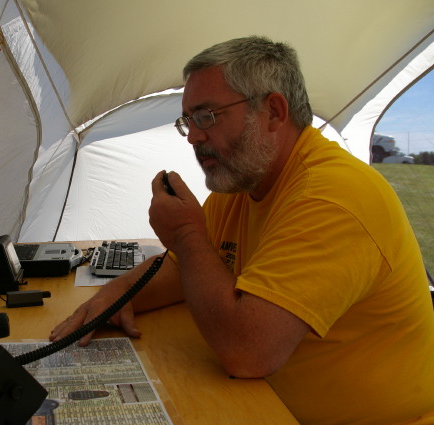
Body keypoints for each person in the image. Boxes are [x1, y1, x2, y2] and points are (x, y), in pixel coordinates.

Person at [50, 36, 434, 425]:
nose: (195, 136)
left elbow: (249, 353)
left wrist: (185, 232)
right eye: (188, 121)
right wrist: (114, 295)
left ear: (273, 111)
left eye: (207, 117)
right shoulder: (247, 182)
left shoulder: (333, 196)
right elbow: (181, 270)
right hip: (264, 404)